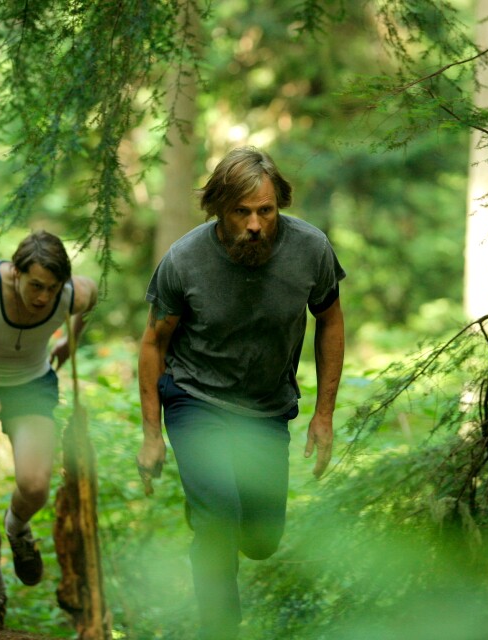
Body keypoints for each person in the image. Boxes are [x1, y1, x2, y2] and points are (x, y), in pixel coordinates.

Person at [137, 147, 346, 639]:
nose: (255, 224)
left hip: (266, 409)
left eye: (265, 211)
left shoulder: (310, 249)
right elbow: (152, 343)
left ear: (279, 207)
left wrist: (323, 415)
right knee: (218, 522)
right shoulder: (184, 260)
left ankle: (209, 504)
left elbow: (330, 319)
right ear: (219, 209)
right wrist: (152, 435)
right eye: (242, 212)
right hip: (196, 398)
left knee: (260, 540)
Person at [0, 230, 97, 629]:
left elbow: (90, 295)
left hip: (29, 386)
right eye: (36, 286)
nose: (44, 297)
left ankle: (18, 528)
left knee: (34, 487)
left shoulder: (70, 294)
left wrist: (70, 342)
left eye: (52, 288)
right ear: (15, 273)